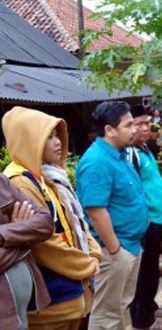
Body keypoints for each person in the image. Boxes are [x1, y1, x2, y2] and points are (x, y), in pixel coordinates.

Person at [2, 107, 103, 330]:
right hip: (53, 301)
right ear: (29, 140)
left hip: (73, 292)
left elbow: (78, 220)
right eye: (48, 137)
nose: (58, 142)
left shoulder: (49, 176)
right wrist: (85, 264)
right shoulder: (20, 183)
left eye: (57, 135)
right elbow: (43, 241)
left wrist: (94, 252)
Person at [75, 101, 149, 330]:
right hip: (115, 249)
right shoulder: (96, 161)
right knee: (106, 312)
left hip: (130, 244)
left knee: (118, 305)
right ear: (109, 130)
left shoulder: (119, 154)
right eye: (128, 125)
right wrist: (115, 249)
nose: (134, 129)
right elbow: (96, 212)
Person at [127, 105, 162, 330]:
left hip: (156, 219)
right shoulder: (130, 153)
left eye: (147, 123)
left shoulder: (144, 148)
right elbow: (132, 189)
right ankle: (143, 320)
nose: (145, 127)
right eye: (139, 124)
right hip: (146, 222)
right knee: (144, 272)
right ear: (128, 126)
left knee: (152, 266)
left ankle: (150, 304)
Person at [0, 173, 53, 330]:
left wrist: (5, 234)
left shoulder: (2, 181)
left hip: (20, 316)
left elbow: (45, 222)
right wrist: (22, 237)